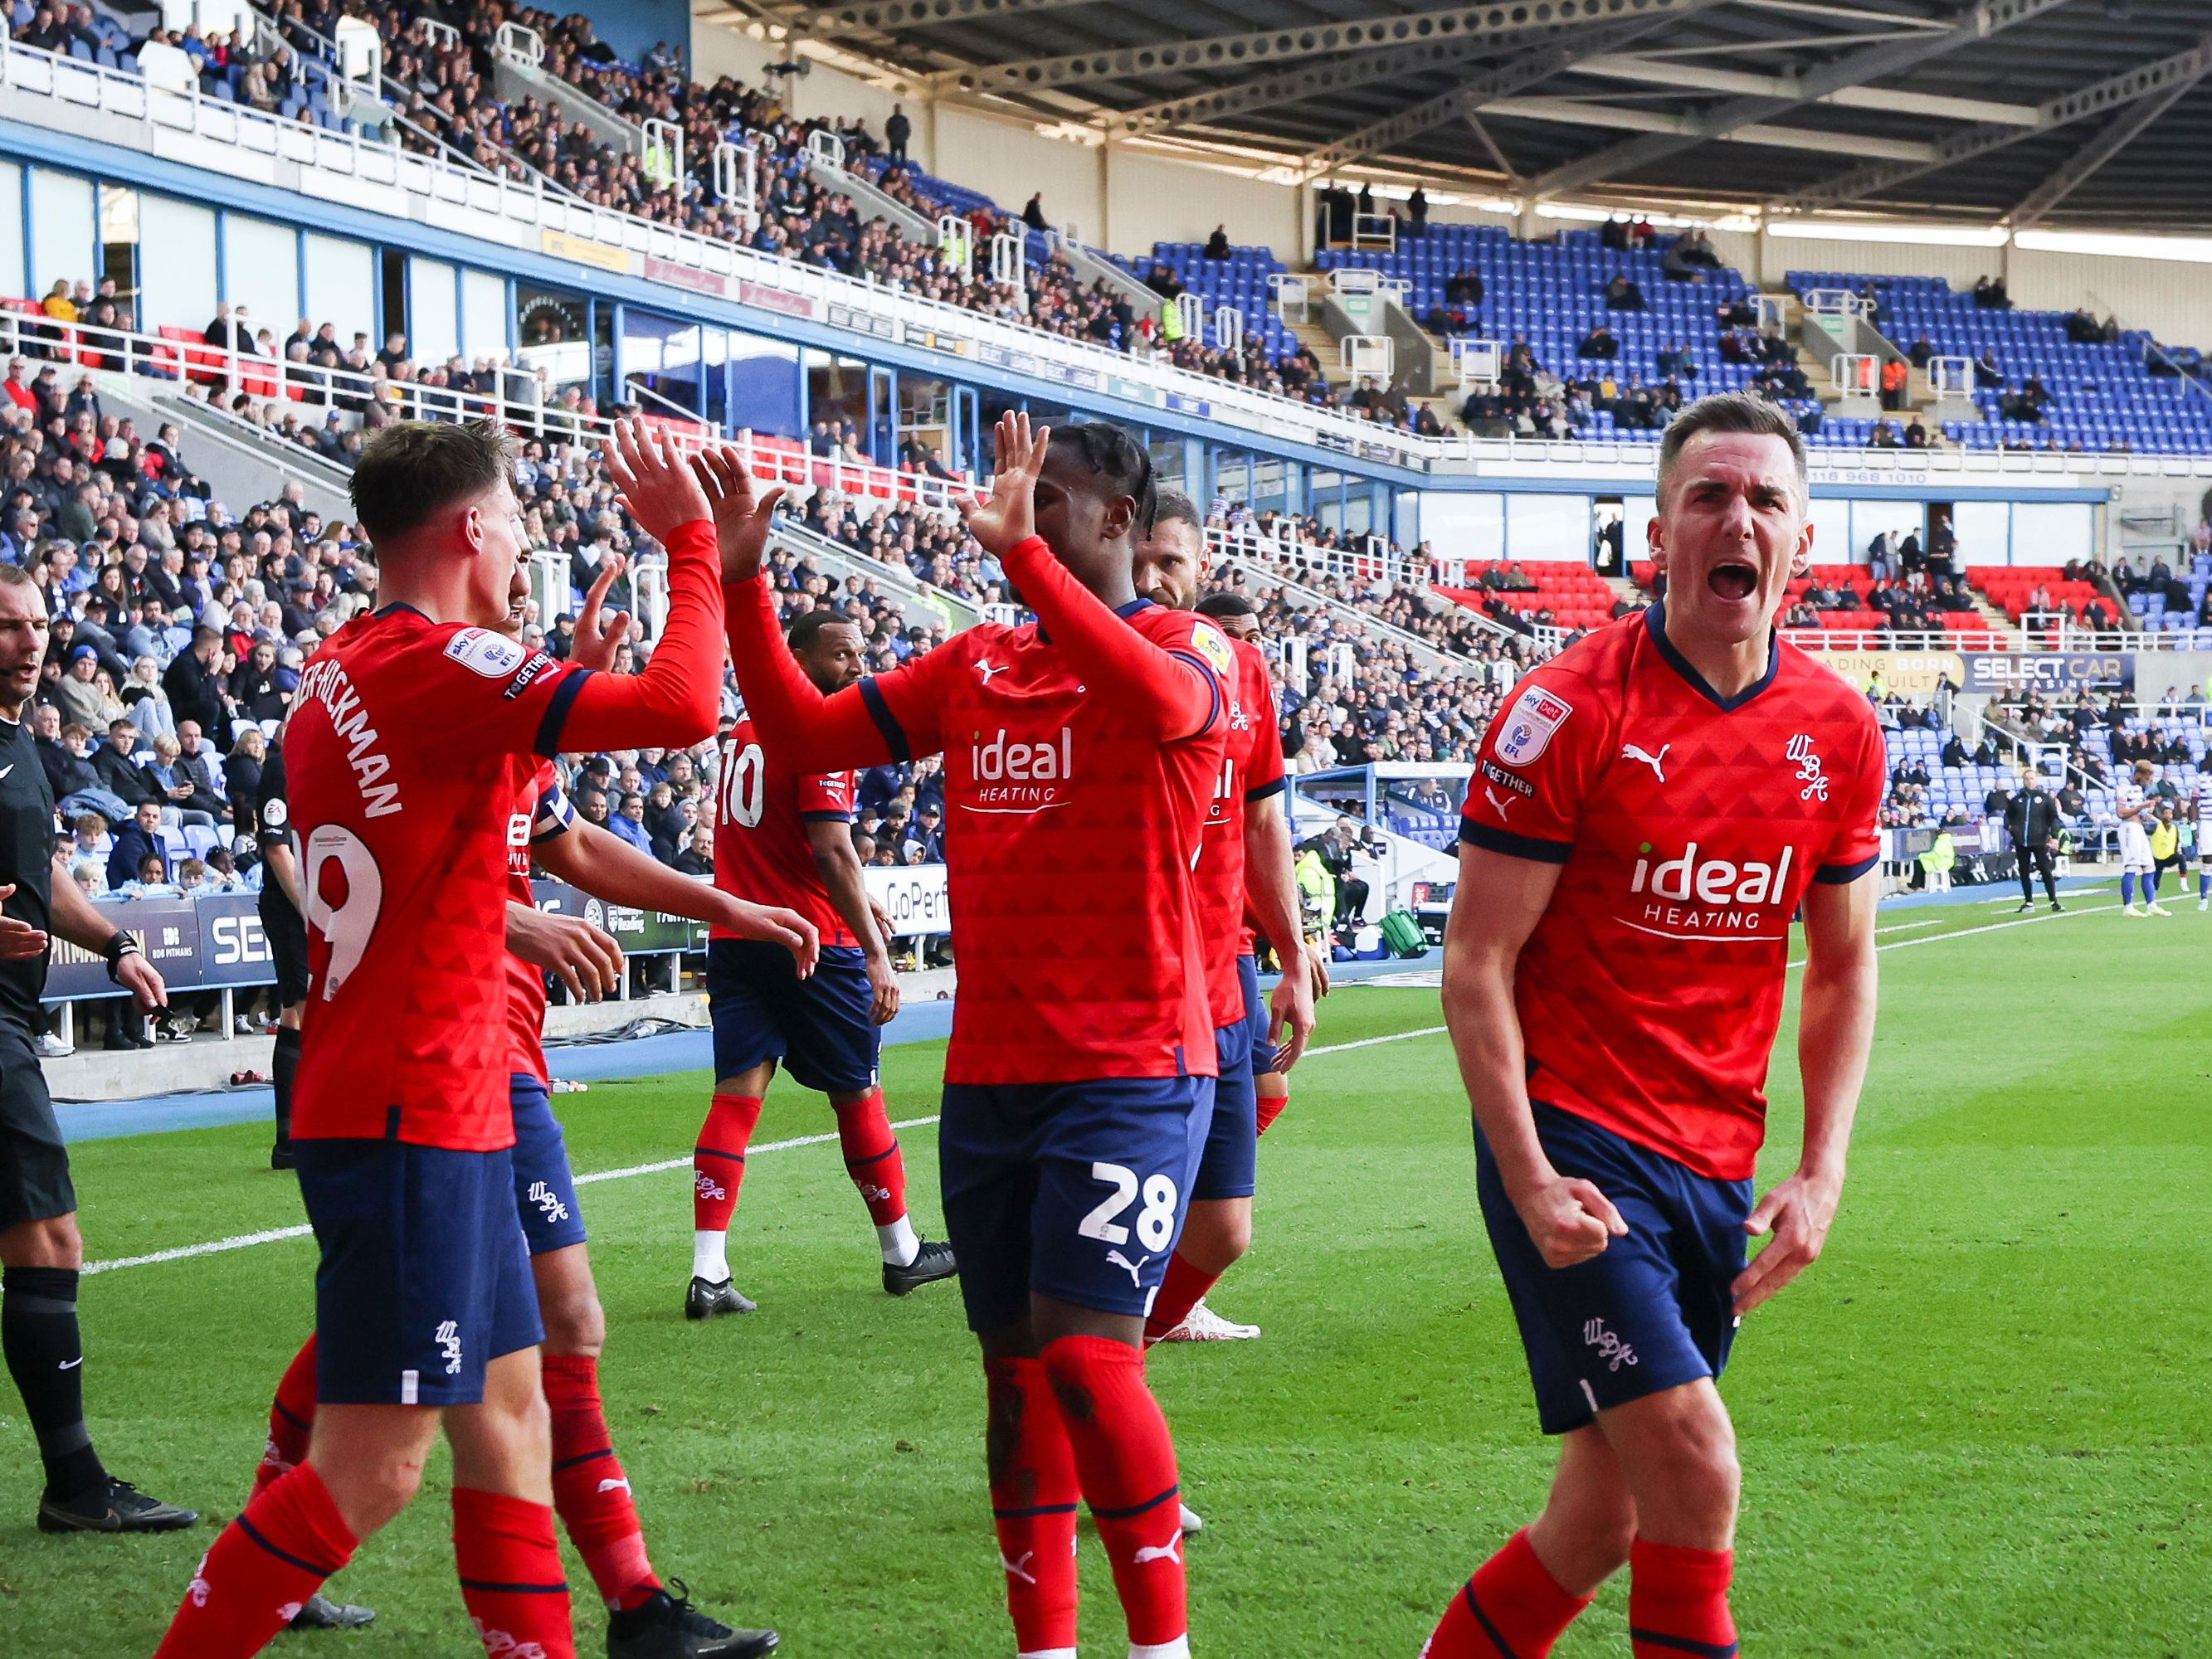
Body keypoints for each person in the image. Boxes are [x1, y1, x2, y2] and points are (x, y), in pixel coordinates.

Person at [149, 416, 733, 1659]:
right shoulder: (432, 663)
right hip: (416, 1099)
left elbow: (452, 812)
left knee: (514, 1419)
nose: (524, 535)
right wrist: (694, 545)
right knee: (372, 1470)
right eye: (516, 515)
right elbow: (685, 707)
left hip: (427, 1096)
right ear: (472, 526)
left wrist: (541, 677)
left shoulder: (346, 668)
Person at [716, 411, 1230, 1659]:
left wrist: (1025, 566)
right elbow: (799, 736)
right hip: (992, 1077)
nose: (1019, 504)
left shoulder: (1186, 642)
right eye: (1015, 490)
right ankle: (1042, 1647)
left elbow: (1162, 701)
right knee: (1014, 1385)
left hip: (1131, 1069)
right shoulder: (976, 666)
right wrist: (738, 584)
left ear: (1115, 520)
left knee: (1095, 1368)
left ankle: (1159, 1651)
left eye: (1048, 495)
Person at [240, 550, 806, 1652]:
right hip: (451, 1053)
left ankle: (618, 1605)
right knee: (507, 1363)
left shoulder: (428, 691)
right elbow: (394, 876)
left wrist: (715, 903)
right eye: (506, 538)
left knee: (453, 1361)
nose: (524, 572)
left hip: (467, 1058)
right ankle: (630, 1596)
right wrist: (516, 920)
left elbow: (566, 842)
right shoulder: (419, 678)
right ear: (463, 543)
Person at [1427, 393, 1884, 1659]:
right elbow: (1473, 963)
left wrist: (1821, 1167)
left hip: (1712, 1163)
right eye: (1707, 495)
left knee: (1599, 1518)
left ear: (1804, 539)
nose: (1735, 517)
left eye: (1763, 499)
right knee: (1694, 1469)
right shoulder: (1569, 709)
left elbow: (1842, 968)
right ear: (1658, 531)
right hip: (1575, 1145)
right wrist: (1524, 1175)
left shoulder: (1838, 732)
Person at [688, 607, 957, 1316]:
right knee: (857, 1094)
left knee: (736, 1097)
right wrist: (874, 949)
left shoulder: (743, 733)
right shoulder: (815, 732)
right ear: (797, 656)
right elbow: (830, 850)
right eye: (842, 654)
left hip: (741, 937)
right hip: (815, 945)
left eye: (862, 652)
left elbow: (785, 847)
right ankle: (902, 1254)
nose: (858, 667)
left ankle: (707, 1271)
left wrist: (864, 907)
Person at [0, 564, 197, 1531]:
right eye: (6, 626)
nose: (28, 641)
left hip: (11, 1019)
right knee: (49, 1240)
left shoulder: (24, 745)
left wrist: (114, 942)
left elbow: (39, 871)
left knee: (41, 1240)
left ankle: (75, 1485)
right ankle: (76, 1488)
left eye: (37, 623)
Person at [1128, 505, 1318, 1367]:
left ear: (1199, 563)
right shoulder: (1098, 664)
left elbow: (1261, 824)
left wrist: (1291, 952)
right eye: (1138, 557)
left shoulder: (1242, 671)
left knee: (1229, 1203)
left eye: (1169, 559)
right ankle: (1109, 1326)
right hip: (1130, 966)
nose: (1149, 576)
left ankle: (1145, 1305)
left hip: (1224, 956)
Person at [2004, 772, 2063, 913]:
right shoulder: (2018, 799)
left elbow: (2054, 818)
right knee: (2024, 871)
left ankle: (2053, 900)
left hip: (2039, 840)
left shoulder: (2045, 799)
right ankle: (2028, 901)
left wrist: (2054, 835)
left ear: (2036, 780)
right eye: (2026, 779)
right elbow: (2008, 815)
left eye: (2032, 778)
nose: (2029, 781)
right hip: (2021, 841)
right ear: (2023, 780)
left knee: (2045, 869)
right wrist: (2010, 827)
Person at [2115, 759, 2161, 917]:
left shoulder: (2138, 790)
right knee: (2131, 867)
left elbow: (2138, 811)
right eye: (2146, 777)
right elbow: (2121, 813)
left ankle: (2151, 904)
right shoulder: (2123, 787)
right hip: (2128, 828)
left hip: (2139, 828)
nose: (2147, 782)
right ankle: (2128, 906)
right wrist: (2141, 807)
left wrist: (2147, 812)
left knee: (2149, 866)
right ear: (2139, 773)